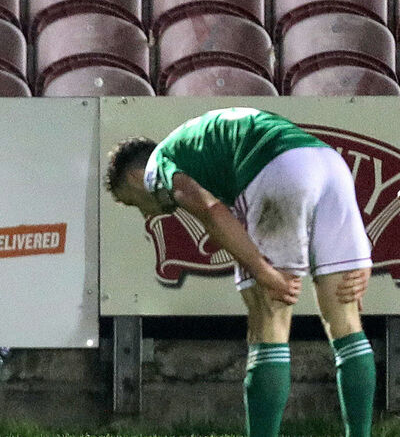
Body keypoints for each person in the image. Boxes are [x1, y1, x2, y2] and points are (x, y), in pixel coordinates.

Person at [106, 107, 375, 437]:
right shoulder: (192, 142)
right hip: (330, 164)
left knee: (269, 320)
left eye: (134, 203)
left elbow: (211, 210)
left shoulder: (158, 165)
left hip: (277, 167)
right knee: (346, 322)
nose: (146, 213)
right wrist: (360, 256)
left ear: (135, 178)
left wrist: (261, 269)